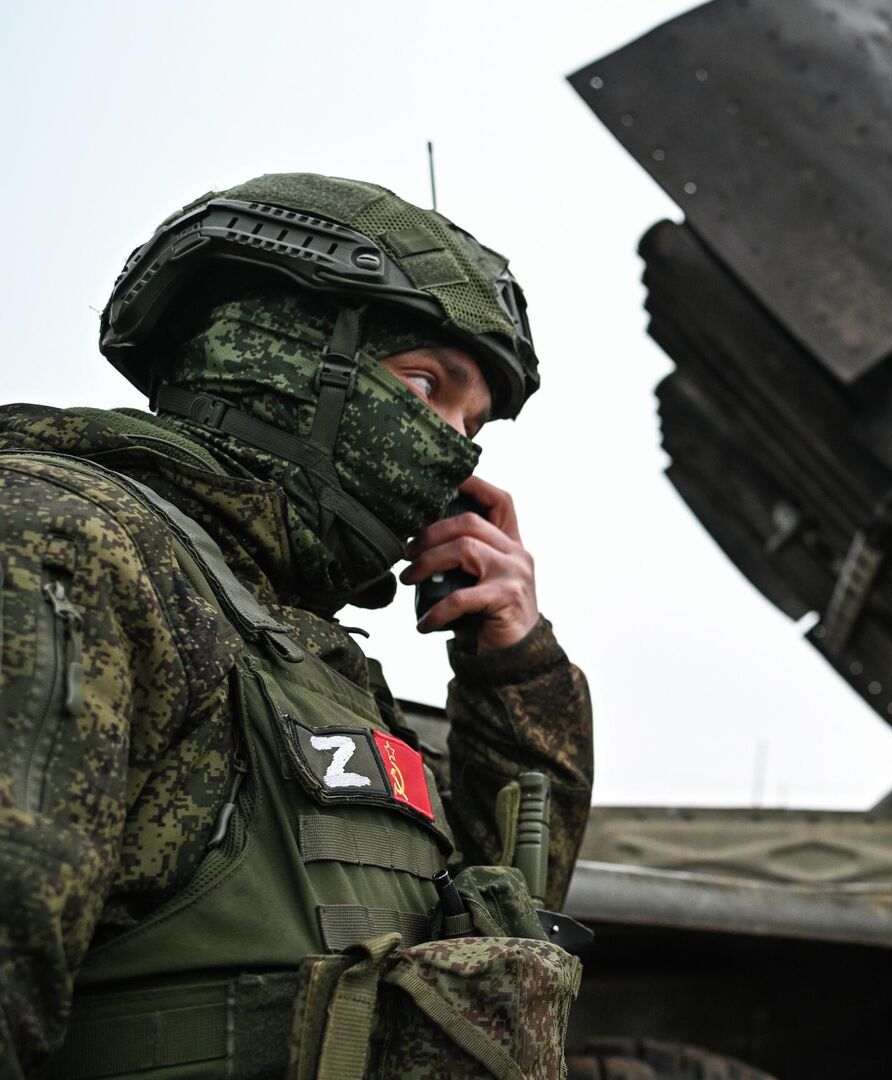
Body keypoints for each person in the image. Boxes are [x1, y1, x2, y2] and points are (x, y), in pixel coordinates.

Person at [0, 174, 593, 1078]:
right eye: (424, 386)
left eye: (471, 427)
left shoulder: (301, 651)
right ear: (284, 355)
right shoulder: (68, 543)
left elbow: (491, 958)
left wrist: (516, 666)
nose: (454, 454)